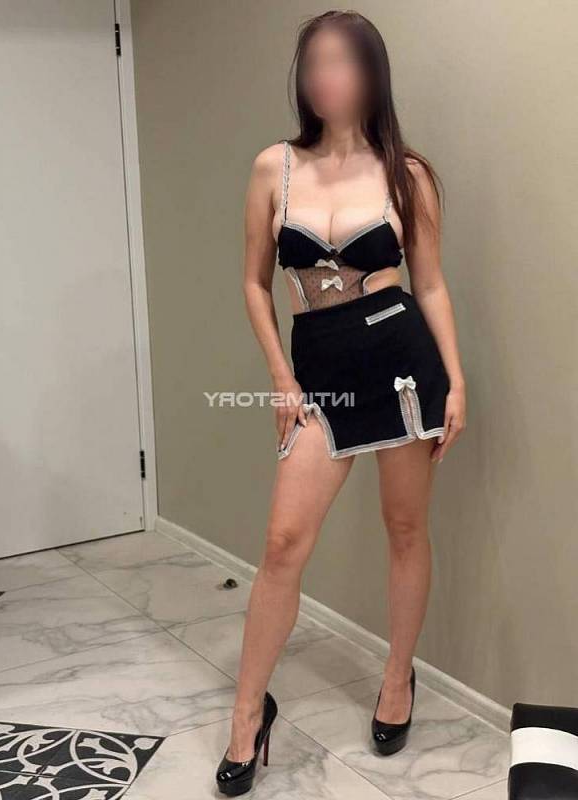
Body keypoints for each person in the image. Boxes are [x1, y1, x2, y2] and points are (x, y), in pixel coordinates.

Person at [216, 9, 466, 795]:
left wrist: (456, 380)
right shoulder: (274, 167)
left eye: (343, 62)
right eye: (315, 62)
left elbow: (429, 283)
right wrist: (280, 377)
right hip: (318, 366)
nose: (326, 76)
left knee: (404, 527)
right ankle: (248, 715)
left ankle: (397, 677)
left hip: (401, 364)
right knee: (282, 543)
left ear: (370, 74)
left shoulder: (406, 173)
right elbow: (254, 282)